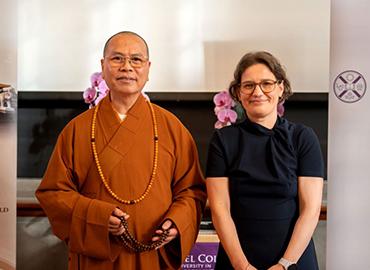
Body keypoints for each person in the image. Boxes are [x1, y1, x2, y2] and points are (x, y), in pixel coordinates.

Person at [36, 31, 206, 270]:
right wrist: (98, 218)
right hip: (98, 259)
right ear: (103, 67)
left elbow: (192, 190)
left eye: (136, 60)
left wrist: (177, 222)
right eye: (117, 59)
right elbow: (53, 193)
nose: (127, 67)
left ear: (148, 68)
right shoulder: (77, 129)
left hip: (152, 255)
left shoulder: (172, 127)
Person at [206, 51, 324, 270]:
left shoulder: (303, 137)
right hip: (237, 260)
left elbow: (311, 210)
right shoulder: (223, 140)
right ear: (238, 93)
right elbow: (220, 209)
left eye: (266, 84)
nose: (257, 92)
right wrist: (242, 266)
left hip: (294, 259)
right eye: (248, 85)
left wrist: (284, 264)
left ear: (281, 88)